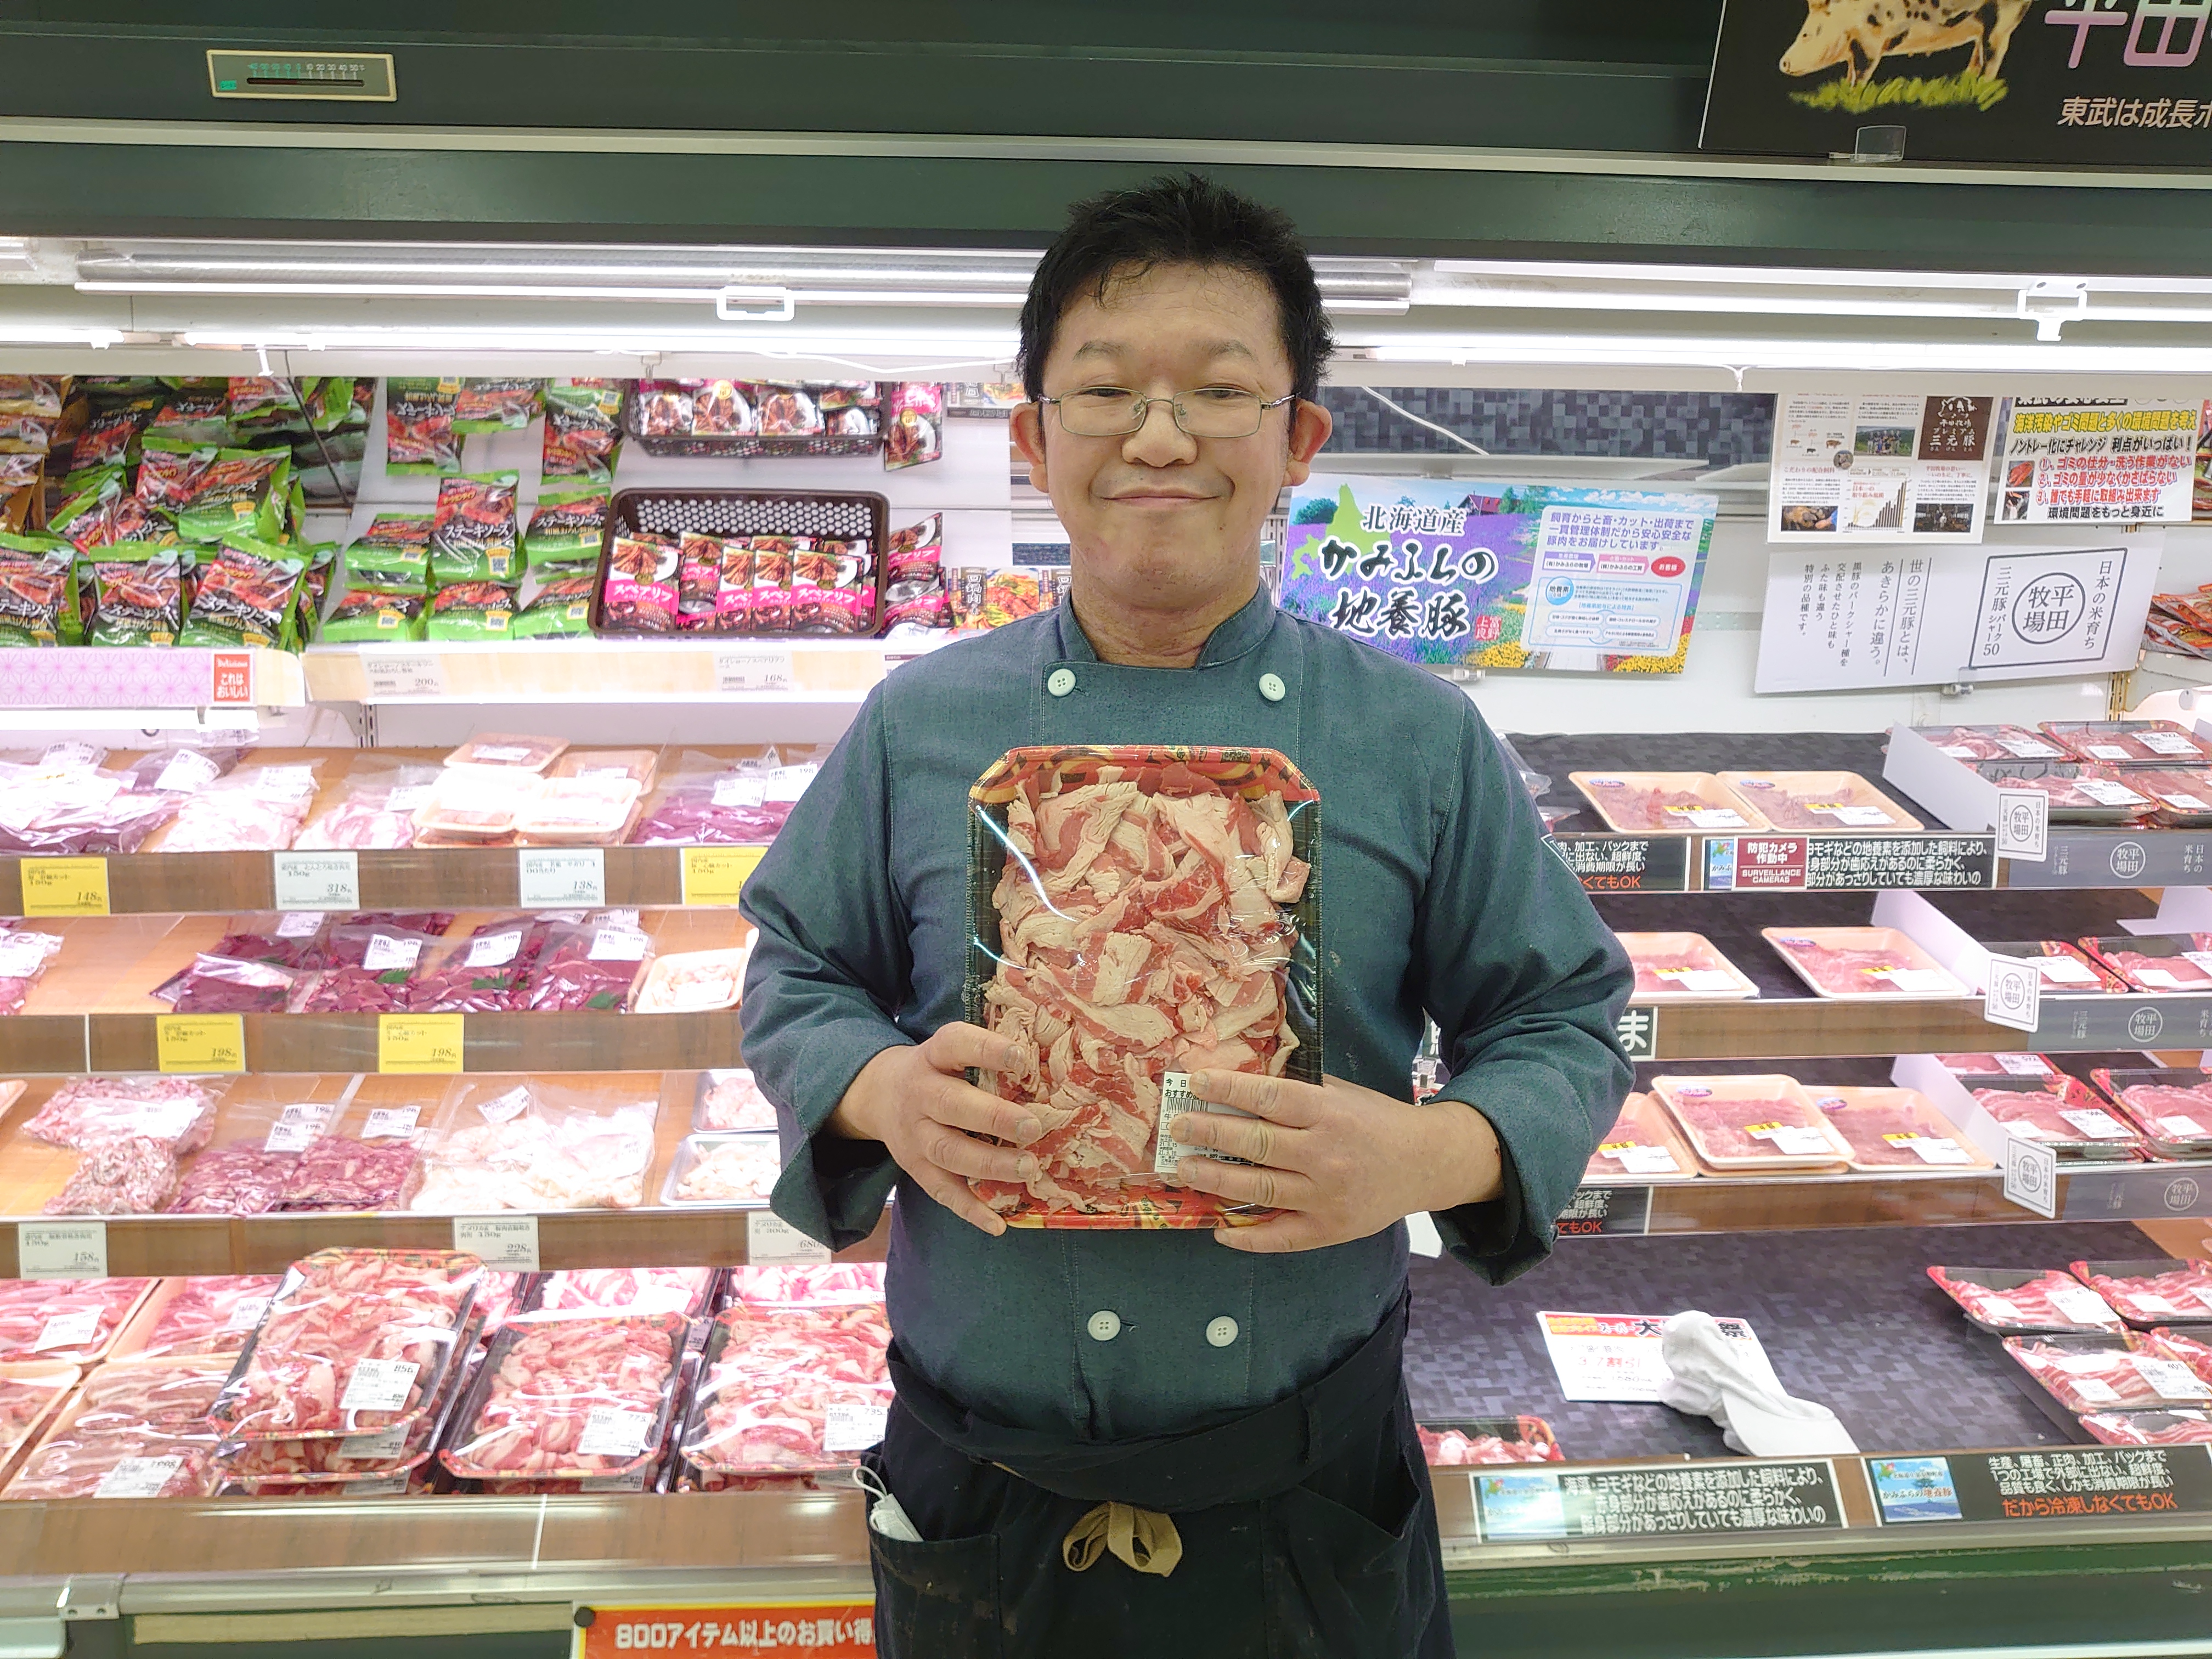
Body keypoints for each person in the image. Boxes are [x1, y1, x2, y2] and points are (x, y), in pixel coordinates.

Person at [739, 173, 1633, 1658]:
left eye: (1220, 392)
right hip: (984, 1485)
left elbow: (1564, 1018)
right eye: (1105, 392)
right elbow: (796, 969)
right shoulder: (920, 723)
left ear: (1299, 441)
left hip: (1307, 1492)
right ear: (1034, 439)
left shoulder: (1415, 737)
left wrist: (1429, 1153)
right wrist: (882, 1091)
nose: (1160, 437)